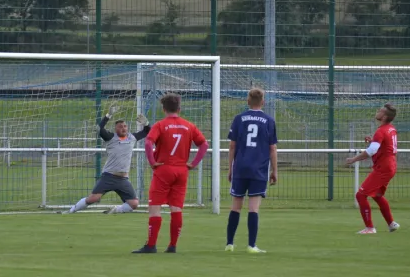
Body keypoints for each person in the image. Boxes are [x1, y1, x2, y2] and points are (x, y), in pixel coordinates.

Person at [132, 93, 209, 254]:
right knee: (176, 208)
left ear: (163, 108)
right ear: (179, 108)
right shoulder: (189, 126)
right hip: (182, 170)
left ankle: (151, 245)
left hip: (164, 169)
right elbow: (204, 145)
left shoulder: (160, 125)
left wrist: (152, 162)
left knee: (155, 207)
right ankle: (172, 245)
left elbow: (148, 142)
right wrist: (193, 164)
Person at [67, 104, 150, 214]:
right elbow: (99, 128)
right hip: (109, 176)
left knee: (134, 204)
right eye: (120, 127)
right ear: (115, 129)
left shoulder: (132, 138)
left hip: (123, 179)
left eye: (125, 126)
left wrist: (146, 123)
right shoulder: (111, 137)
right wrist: (108, 115)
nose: (123, 128)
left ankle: (115, 210)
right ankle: (71, 211)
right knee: (93, 198)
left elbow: (147, 131)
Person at [225, 88, 278, 254]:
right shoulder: (268, 120)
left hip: (240, 168)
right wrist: (275, 170)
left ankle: (230, 244)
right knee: (253, 208)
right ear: (263, 102)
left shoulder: (239, 119)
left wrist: (230, 168)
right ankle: (251, 246)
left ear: (248, 101)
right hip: (259, 169)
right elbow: (272, 148)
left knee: (235, 207)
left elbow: (232, 145)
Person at [346, 103, 400, 234]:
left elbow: (371, 151)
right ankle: (391, 224)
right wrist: (373, 141)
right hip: (390, 166)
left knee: (360, 195)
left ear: (384, 116)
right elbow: (383, 146)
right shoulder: (390, 129)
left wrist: (354, 159)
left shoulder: (381, 131)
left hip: (383, 168)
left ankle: (370, 228)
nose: (377, 112)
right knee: (377, 195)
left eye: (380, 111)